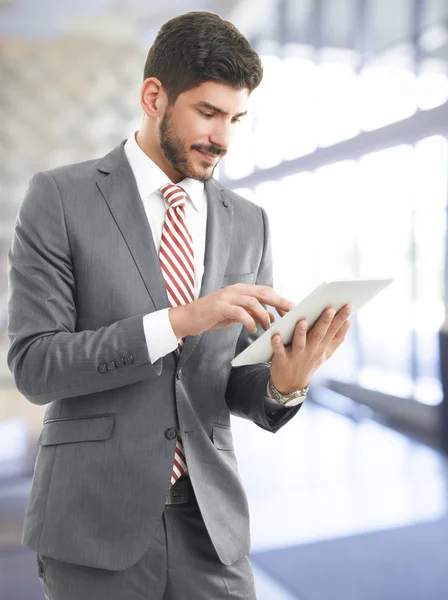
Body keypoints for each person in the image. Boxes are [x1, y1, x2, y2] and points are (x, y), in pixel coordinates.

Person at [6, 11, 351, 600]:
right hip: (93, 524)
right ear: (153, 96)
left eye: (237, 118)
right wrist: (182, 320)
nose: (224, 138)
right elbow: (36, 367)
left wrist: (283, 384)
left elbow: (236, 380)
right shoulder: (60, 198)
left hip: (210, 531)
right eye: (209, 113)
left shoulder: (248, 222)